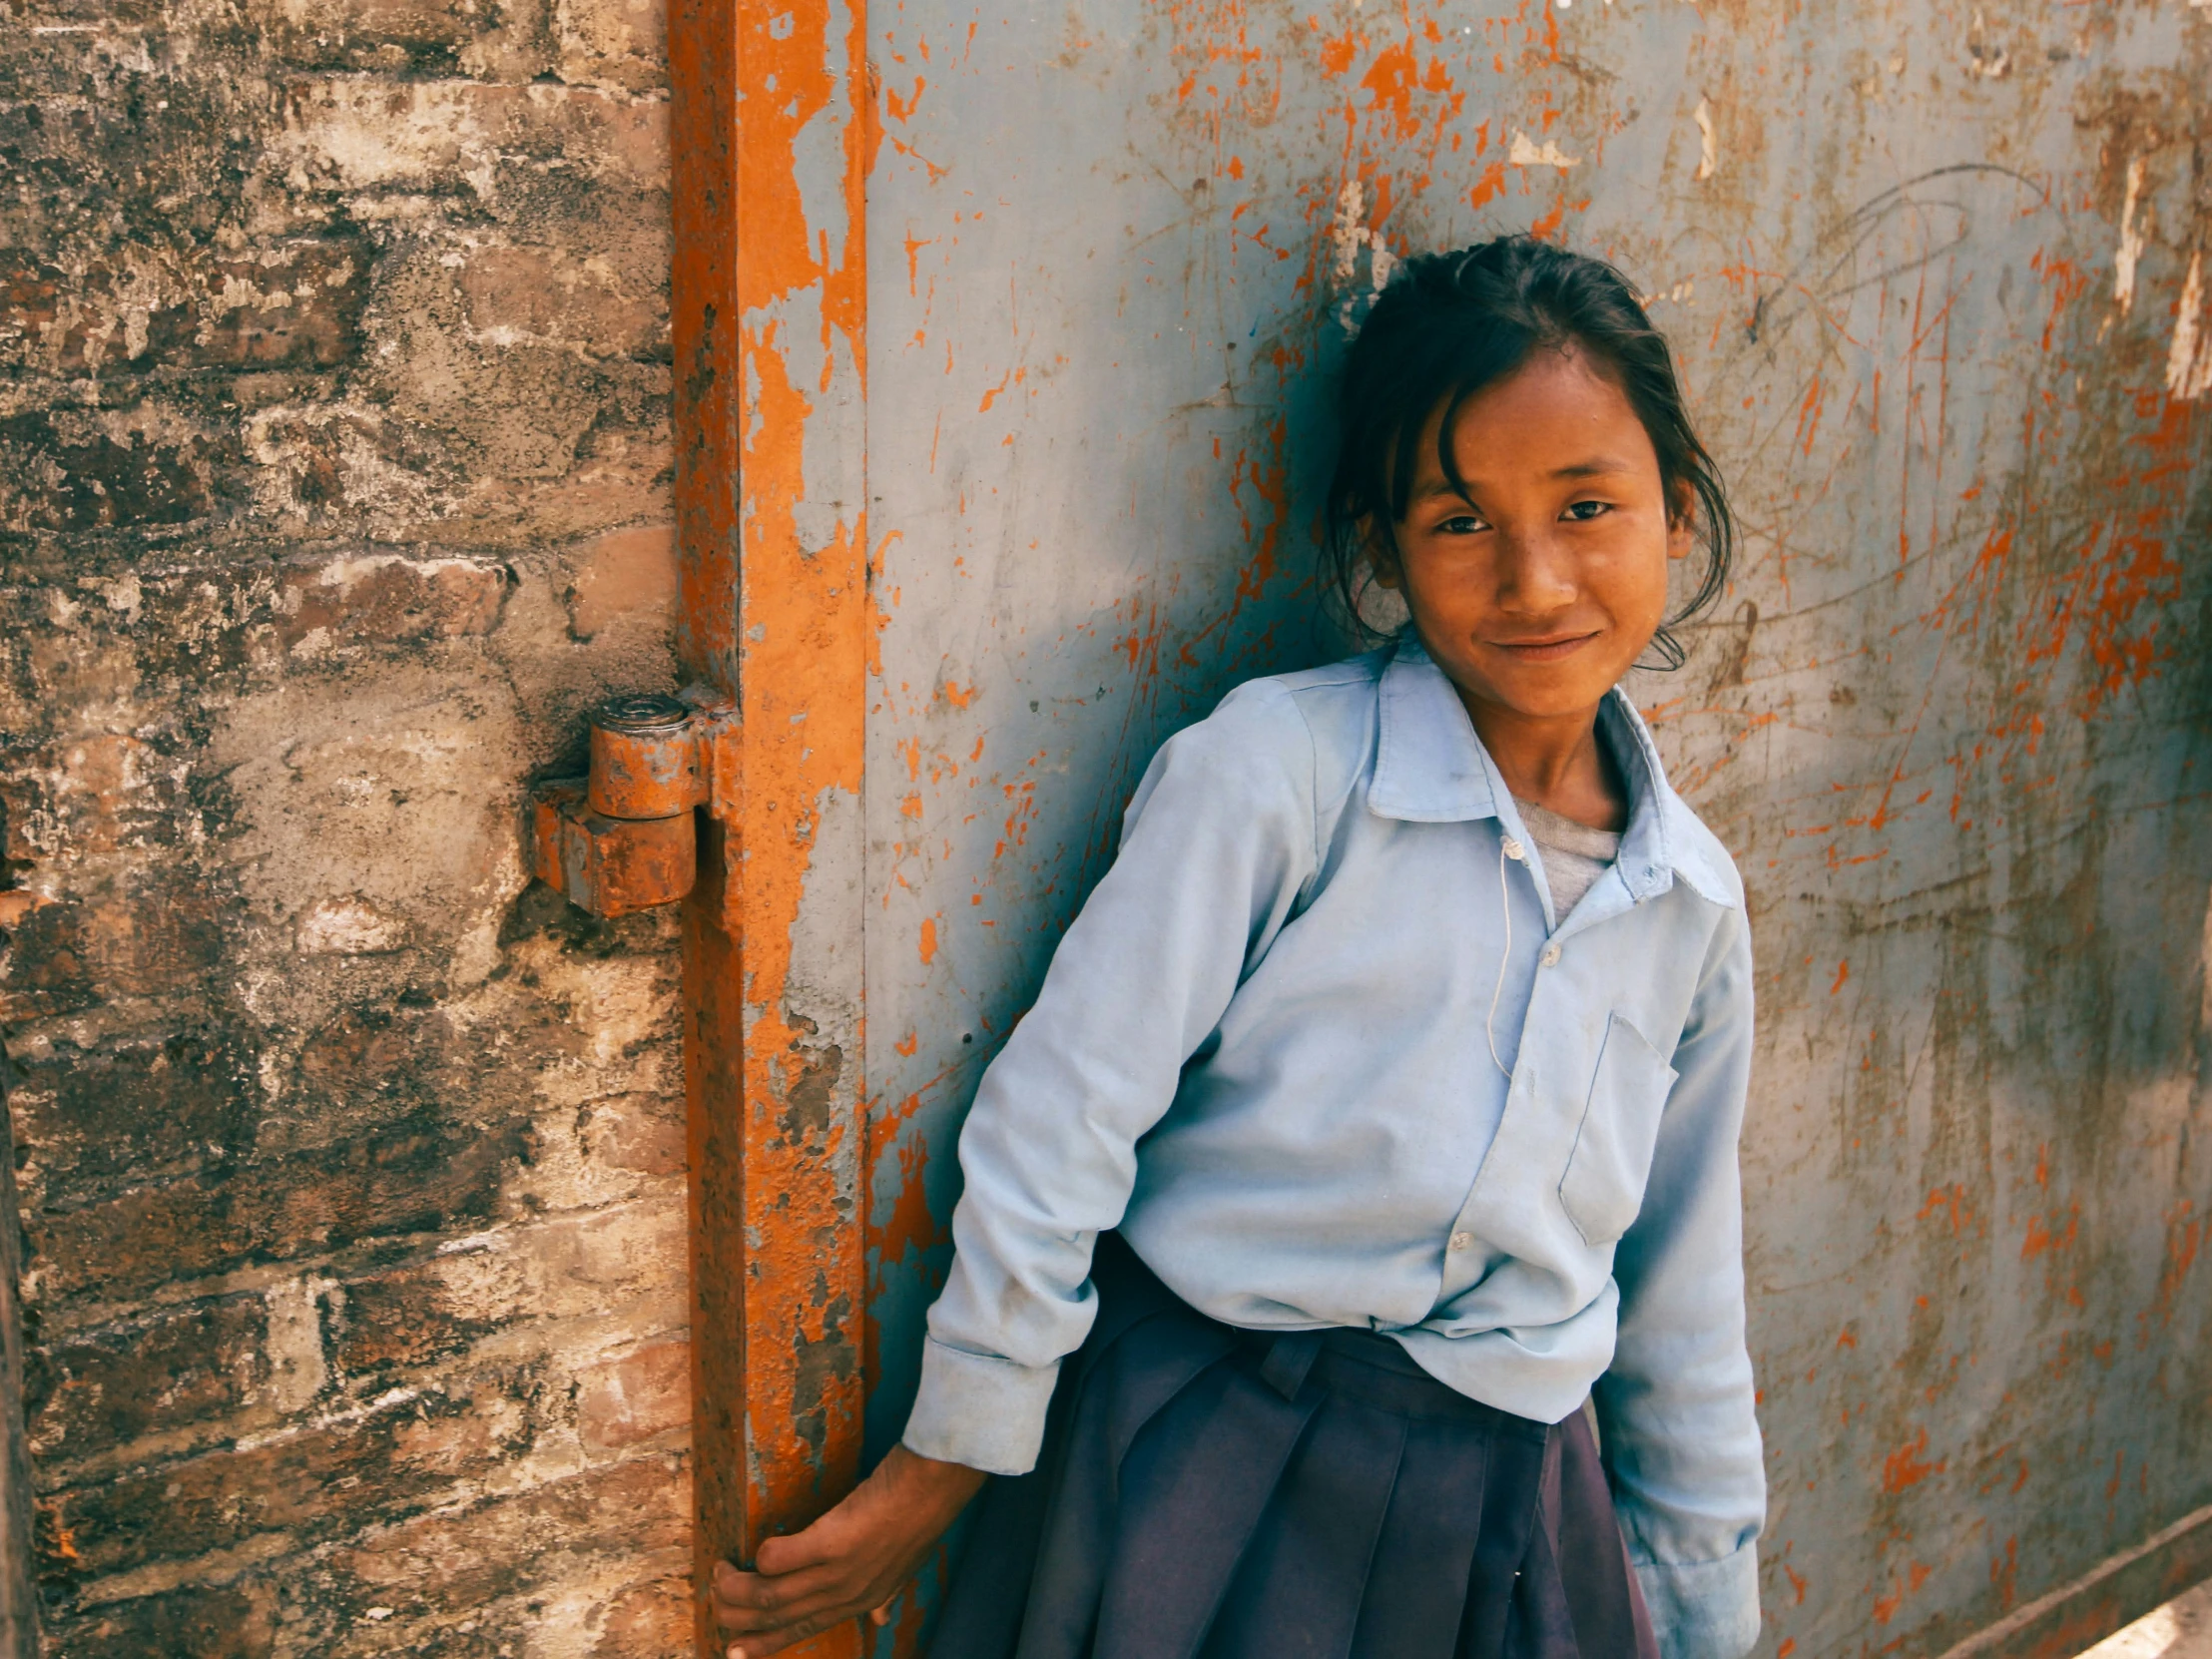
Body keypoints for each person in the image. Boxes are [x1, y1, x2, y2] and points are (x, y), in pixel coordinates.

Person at [712, 235, 1765, 1659]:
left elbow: (1684, 1315)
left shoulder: (1688, 903)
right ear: (1383, 542)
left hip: (1510, 1532)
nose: (1533, 578)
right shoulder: (1281, 775)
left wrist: (1708, 1622)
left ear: (1677, 512)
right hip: (1209, 1477)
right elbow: (1063, 1113)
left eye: (1588, 505)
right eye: (1460, 522)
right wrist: (945, 1461)